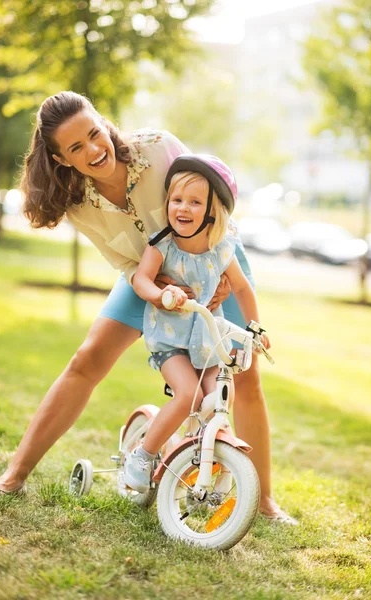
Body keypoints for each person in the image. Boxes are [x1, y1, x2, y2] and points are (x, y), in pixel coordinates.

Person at [0, 91, 296, 524]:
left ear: (103, 121)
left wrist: (218, 278)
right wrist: (157, 288)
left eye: (95, 133)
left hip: (214, 269)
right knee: (85, 360)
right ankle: (14, 474)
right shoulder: (77, 204)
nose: (95, 149)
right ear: (60, 159)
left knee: (243, 377)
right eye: (76, 147)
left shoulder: (158, 148)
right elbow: (127, 265)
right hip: (147, 277)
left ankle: (263, 501)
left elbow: (215, 196)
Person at [124, 154, 271, 494]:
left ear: (211, 211)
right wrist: (161, 295)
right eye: (177, 200)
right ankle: (142, 456)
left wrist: (256, 329)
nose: (183, 209)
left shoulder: (220, 249)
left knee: (221, 397)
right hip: (170, 341)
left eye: (194, 202)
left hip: (207, 344)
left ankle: (201, 452)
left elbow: (243, 287)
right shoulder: (163, 244)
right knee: (187, 393)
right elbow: (142, 280)